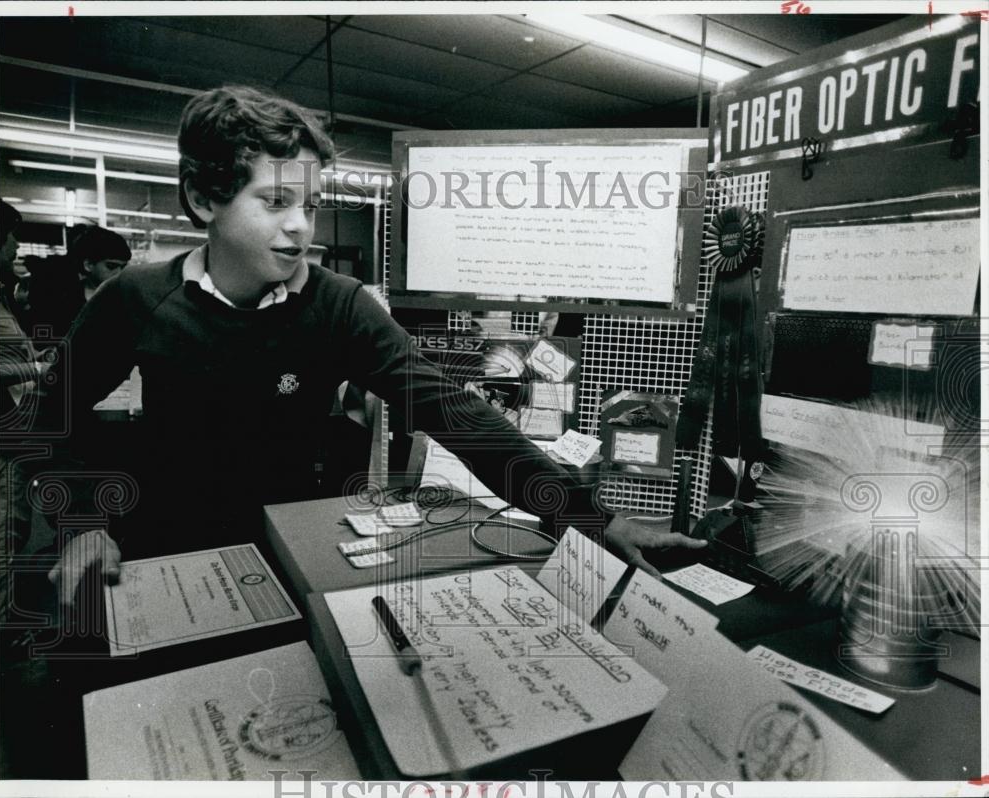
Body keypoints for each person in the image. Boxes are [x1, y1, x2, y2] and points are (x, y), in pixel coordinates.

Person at [41, 85, 705, 607]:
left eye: (310, 202)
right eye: (275, 202)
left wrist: (586, 516)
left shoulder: (339, 306)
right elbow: (52, 418)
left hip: (295, 558)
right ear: (202, 197)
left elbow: (455, 413)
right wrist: (82, 522)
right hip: (164, 562)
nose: (302, 227)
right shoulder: (135, 299)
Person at [0, 200, 53, 623]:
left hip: (12, 432)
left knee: (10, 530)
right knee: (3, 535)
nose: (16, 245)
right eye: (8, 235)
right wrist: (36, 366)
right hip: (1, 440)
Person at [22, 225, 131, 340]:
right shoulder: (61, 300)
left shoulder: (126, 299)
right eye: (111, 266)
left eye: (123, 267)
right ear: (88, 265)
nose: (119, 273)